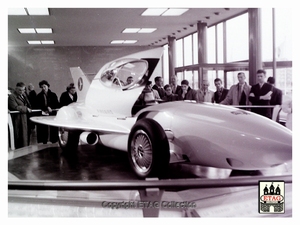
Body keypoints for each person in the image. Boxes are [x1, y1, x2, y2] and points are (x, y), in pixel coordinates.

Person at [8, 82, 32, 148]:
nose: (22, 91)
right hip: (17, 119)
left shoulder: (24, 95)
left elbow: (28, 104)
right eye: (20, 90)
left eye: (23, 90)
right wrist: (26, 109)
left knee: (25, 137)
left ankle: (25, 151)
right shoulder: (11, 96)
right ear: (16, 89)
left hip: (25, 118)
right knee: (18, 137)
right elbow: (15, 107)